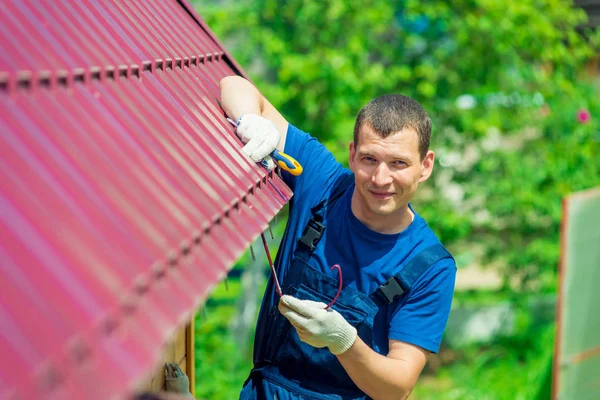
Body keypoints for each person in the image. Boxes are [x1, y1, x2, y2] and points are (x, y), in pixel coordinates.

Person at [220, 75, 456, 400]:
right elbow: (233, 84)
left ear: (425, 166)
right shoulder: (321, 182)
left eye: (398, 163)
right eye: (369, 159)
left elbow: (398, 387)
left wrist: (344, 341)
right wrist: (250, 121)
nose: (381, 178)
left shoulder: (430, 266)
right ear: (352, 154)